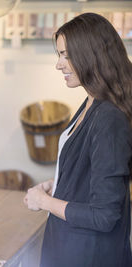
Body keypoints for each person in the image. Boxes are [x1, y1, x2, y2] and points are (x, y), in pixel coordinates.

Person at [24, 13, 132, 267]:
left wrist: (45, 202)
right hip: (70, 248)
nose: (59, 65)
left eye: (65, 55)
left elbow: (104, 215)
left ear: (90, 56)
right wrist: (61, 181)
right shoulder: (91, 102)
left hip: (89, 256)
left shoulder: (109, 118)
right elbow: (93, 167)